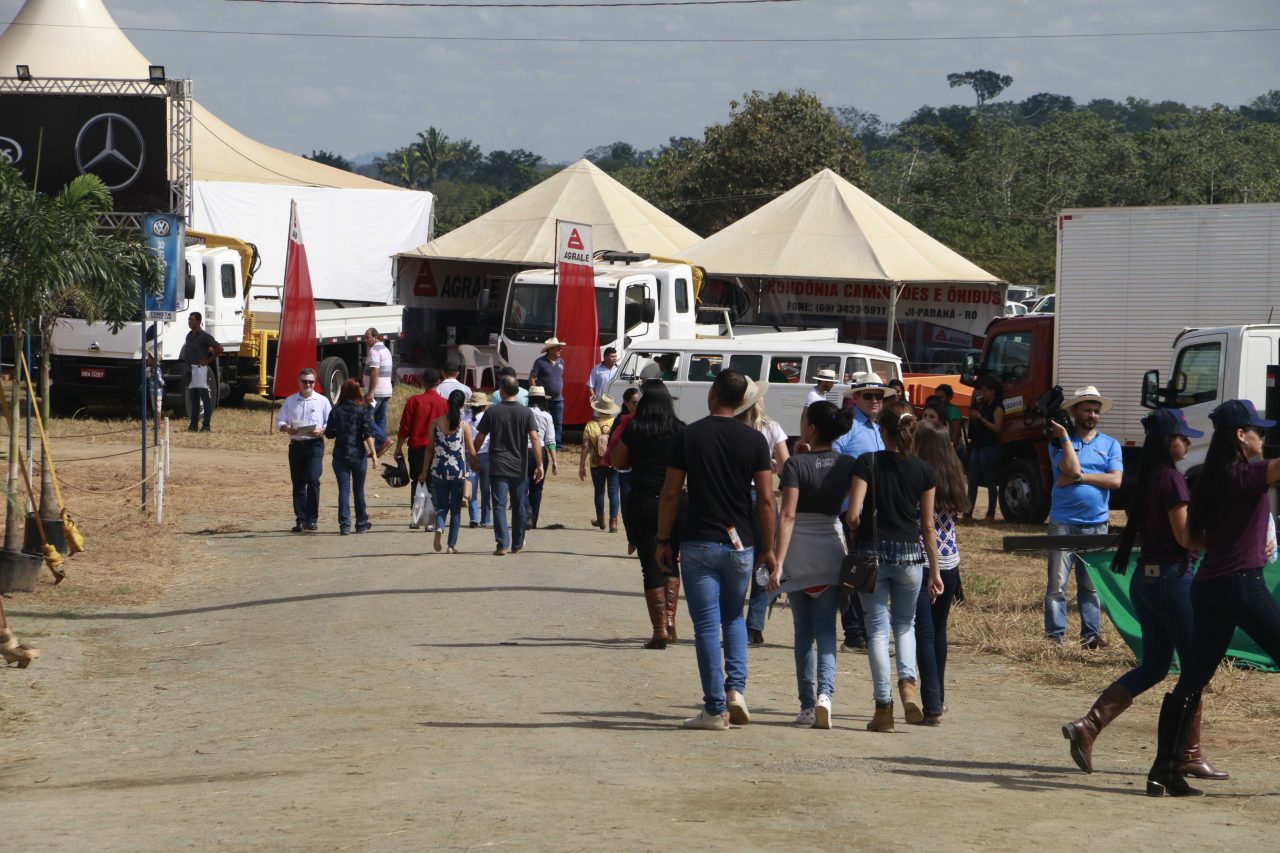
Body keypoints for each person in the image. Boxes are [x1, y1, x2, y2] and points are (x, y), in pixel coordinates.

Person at [1063, 408, 1225, 777]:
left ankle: (1089, 726)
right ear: (1171, 442)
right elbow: (1185, 537)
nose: (1187, 442)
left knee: (1154, 666)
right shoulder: (1172, 480)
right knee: (1196, 668)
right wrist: (1222, 538)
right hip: (1173, 581)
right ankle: (1188, 754)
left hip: (1147, 582)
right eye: (1184, 437)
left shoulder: (1151, 478)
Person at [1145, 399, 1280, 798]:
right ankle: (1165, 769)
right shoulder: (1247, 475)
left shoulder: (1207, 479)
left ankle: (1162, 770)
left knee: (1192, 679)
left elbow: (1192, 538)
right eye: (1259, 431)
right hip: (1242, 585)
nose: (1263, 437)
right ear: (1241, 436)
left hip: (1209, 586)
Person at [656, 369, 776, 730]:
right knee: (734, 618)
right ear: (743, 401)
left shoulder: (688, 436)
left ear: (712, 395)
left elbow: (672, 492)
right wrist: (768, 548)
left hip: (698, 542)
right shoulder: (756, 441)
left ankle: (713, 708)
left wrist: (663, 539)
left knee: (707, 625)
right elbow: (767, 500)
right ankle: (735, 690)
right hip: (740, 544)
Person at [846, 396, 942, 731]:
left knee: (876, 630)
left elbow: (854, 515)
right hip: (910, 557)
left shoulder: (867, 462)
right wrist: (936, 571)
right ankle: (908, 685)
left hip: (872, 555)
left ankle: (883, 707)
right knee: (905, 624)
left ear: (881, 430)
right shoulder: (925, 471)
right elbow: (928, 526)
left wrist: (858, 530)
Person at [771, 401, 856, 728]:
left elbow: (788, 515)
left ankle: (807, 705)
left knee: (803, 633)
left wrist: (778, 563)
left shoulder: (794, 465)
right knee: (827, 631)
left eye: (805, 419)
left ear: (812, 428)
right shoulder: (847, 463)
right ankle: (826, 696)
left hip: (799, 552)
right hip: (831, 548)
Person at [1045, 385, 1123, 649]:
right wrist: (1066, 438)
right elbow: (1070, 466)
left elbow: (1115, 480)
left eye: (1096, 411)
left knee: (1090, 587)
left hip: (1096, 524)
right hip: (1062, 523)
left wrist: (1080, 478)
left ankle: (1091, 636)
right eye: (1087, 410)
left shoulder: (1110, 444)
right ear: (1075, 411)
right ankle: (1055, 637)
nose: (1092, 415)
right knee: (1057, 584)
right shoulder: (1058, 443)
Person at [612, 379, 685, 649]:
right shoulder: (681, 430)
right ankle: (671, 622)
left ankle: (659, 630)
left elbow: (618, 461)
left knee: (650, 564)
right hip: (676, 500)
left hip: (644, 499)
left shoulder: (635, 428)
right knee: (671, 559)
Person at [832, 373, 898, 652]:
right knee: (854, 573)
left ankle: (867, 632)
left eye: (878, 396)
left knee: (872, 575)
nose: (874, 400)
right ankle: (854, 634)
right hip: (852, 514)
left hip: (878, 515)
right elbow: (833, 465)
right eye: (868, 395)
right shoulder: (848, 428)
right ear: (855, 398)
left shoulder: (880, 428)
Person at [911, 419, 968, 725]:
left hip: (924, 561)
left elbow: (926, 525)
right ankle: (940, 698)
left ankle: (931, 704)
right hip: (951, 561)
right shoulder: (955, 474)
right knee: (939, 630)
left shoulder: (921, 475)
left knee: (925, 632)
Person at [737, 383, 788, 646]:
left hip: (736, 496)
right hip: (763, 494)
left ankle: (734, 619)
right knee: (764, 556)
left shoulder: (734, 427)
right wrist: (770, 466)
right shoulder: (772, 427)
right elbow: (785, 465)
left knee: (738, 555)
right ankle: (754, 624)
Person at [475, 375, 543, 556]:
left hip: (497, 465)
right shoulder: (526, 412)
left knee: (498, 505)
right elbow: (535, 439)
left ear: (502, 391)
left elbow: (480, 437)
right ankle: (518, 543)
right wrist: (539, 464)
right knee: (519, 505)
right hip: (519, 466)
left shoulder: (492, 412)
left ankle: (502, 544)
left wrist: (472, 456)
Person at [277, 367, 333, 533]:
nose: (308, 384)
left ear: (315, 383)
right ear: (298, 382)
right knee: (298, 483)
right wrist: (287, 428)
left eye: (311, 382)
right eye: (305, 381)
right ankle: (301, 519)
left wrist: (322, 430)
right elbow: (280, 421)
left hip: (314, 444)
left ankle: (312, 518)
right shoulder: (290, 401)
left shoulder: (322, 401)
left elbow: (330, 423)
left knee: (313, 479)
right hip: (296, 445)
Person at [394, 367, 448, 530]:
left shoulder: (414, 401)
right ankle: (431, 521)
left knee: (418, 481)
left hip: (417, 447)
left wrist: (398, 447)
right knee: (433, 482)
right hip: (437, 448)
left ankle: (417, 518)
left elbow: (405, 427)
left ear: (423, 382)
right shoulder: (444, 404)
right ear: (438, 383)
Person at [426, 389, 479, 554]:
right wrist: (475, 467)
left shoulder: (435, 423)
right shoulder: (464, 426)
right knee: (456, 509)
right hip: (458, 472)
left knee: (441, 505)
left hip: (438, 470)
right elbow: (471, 452)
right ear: (463, 405)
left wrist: (423, 471)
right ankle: (451, 545)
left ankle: (440, 527)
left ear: (448, 403)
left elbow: (429, 449)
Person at [325, 379, 377, 535]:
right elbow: (367, 433)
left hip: (340, 455)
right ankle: (361, 523)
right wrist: (373, 453)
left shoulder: (336, 411)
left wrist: (339, 431)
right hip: (358, 454)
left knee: (343, 490)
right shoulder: (362, 411)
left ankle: (344, 525)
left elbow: (329, 434)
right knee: (359, 490)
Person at [965, 374, 1004, 522]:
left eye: (986, 391)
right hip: (978, 445)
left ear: (993, 391)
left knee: (990, 481)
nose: (983, 394)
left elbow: (997, 428)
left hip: (990, 447)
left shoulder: (997, 407)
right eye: (982, 391)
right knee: (973, 480)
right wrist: (975, 418)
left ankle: (991, 513)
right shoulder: (983, 405)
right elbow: (978, 428)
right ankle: (968, 511)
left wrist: (981, 418)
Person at [581, 394, 623, 532]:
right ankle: (614, 522)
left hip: (596, 463)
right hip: (614, 462)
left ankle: (601, 520)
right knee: (613, 492)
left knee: (599, 491)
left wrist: (581, 466)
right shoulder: (617, 423)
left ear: (598, 409)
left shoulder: (590, 425)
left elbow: (585, 447)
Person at [607, 387, 641, 552]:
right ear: (627, 403)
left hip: (642, 470)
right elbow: (612, 444)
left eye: (639, 402)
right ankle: (631, 538)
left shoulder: (645, 419)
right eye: (634, 402)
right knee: (626, 506)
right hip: (624, 469)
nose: (637, 405)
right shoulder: (621, 420)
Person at [182, 312, 223, 433]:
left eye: (192, 319)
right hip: (190, 371)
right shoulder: (189, 336)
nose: (189, 321)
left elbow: (219, 348)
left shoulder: (204, 336)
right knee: (193, 399)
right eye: (189, 319)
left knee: (205, 398)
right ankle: (193, 424)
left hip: (200, 371)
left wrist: (208, 360)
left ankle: (206, 425)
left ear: (198, 321)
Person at [525, 385, 559, 529]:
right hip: (541, 452)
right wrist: (554, 460)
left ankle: (525, 510)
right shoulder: (547, 416)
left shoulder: (523, 412)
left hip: (522, 451)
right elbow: (550, 440)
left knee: (522, 485)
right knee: (537, 487)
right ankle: (533, 520)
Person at [362, 328, 394, 456]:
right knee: (380, 418)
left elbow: (375, 372)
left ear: (375, 337)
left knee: (366, 417)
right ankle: (378, 447)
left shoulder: (374, 351)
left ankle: (383, 440)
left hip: (377, 392)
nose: (365, 340)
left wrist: (371, 392)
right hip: (386, 390)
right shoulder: (385, 349)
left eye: (367, 337)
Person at [530, 337, 566, 447]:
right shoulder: (540, 362)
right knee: (541, 421)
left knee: (558, 422)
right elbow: (532, 377)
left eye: (560, 348)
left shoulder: (561, 362)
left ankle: (557, 444)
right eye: (558, 348)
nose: (561, 350)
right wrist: (536, 394)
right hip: (543, 398)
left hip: (558, 399)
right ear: (550, 350)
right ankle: (541, 442)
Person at [464, 393, 492, 529]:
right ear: (484, 405)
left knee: (472, 489)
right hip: (486, 455)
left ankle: (474, 518)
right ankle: (486, 519)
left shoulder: (466, 419)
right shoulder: (489, 418)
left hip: (471, 455)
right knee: (486, 490)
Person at [936, 383, 966, 455]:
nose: (939, 400)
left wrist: (952, 448)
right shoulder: (938, 409)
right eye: (937, 397)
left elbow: (956, 432)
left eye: (942, 397)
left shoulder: (953, 410)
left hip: (953, 448)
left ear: (949, 397)